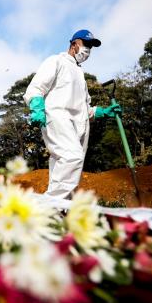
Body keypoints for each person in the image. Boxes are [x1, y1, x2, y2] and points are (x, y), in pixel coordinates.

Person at [23, 29, 121, 200]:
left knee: (63, 167)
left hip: (79, 125)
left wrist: (104, 112)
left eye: (91, 46)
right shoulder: (56, 61)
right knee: (72, 157)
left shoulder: (80, 74)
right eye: (86, 44)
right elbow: (36, 87)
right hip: (58, 117)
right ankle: (47, 206)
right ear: (74, 44)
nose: (88, 50)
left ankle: (61, 213)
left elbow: (85, 108)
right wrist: (37, 107)